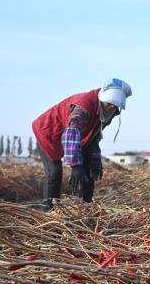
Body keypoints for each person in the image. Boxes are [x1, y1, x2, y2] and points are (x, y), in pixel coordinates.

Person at [31, 79, 132, 208]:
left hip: (75, 136)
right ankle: (49, 208)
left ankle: (85, 207)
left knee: (88, 170)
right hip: (49, 132)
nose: (111, 107)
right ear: (102, 98)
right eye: (108, 104)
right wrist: (75, 165)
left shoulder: (110, 112)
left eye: (114, 105)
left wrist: (95, 158)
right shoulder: (84, 105)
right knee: (55, 172)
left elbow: (93, 135)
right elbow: (71, 133)